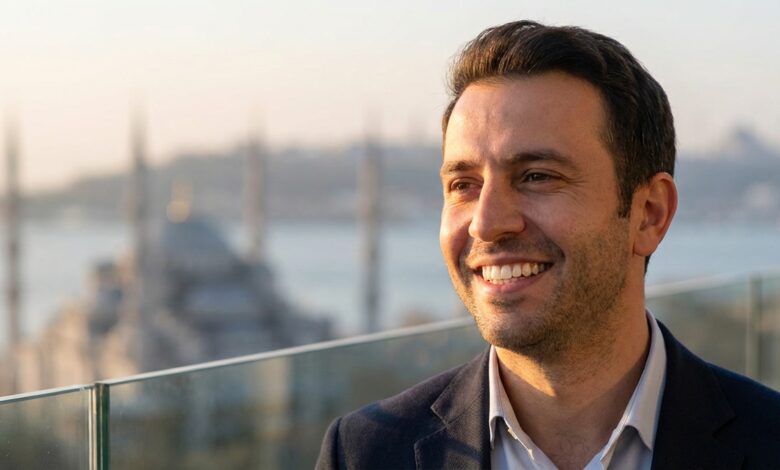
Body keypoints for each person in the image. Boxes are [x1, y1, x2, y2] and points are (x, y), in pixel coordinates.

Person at [316, 20, 780, 469]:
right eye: (463, 184)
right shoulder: (365, 453)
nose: (486, 223)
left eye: (537, 177)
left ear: (649, 214)